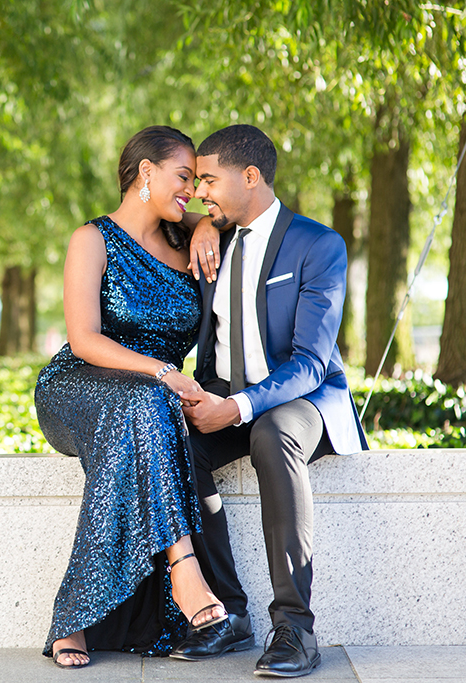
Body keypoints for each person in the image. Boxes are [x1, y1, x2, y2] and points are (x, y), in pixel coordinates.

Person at [171, 124, 369, 678]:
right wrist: (204, 224)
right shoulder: (216, 236)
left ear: (251, 176)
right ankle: (229, 614)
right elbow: (166, 211)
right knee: (172, 441)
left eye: (209, 179)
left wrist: (236, 409)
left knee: (272, 431)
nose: (200, 190)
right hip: (224, 397)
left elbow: (310, 361)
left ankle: (295, 628)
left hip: (300, 401)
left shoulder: (317, 244)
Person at [34, 125, 227, 669]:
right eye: (183, 177)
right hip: (77, 386)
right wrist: (163, 371)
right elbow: (84, 339)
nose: (191, 189)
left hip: (149, 400)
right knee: (145, 400)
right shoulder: (91, 239)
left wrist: (207, 222)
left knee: (144, 407)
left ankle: (78, 618)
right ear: (146, 172)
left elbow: (221, 217)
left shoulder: (189, 243)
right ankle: (186, 573)